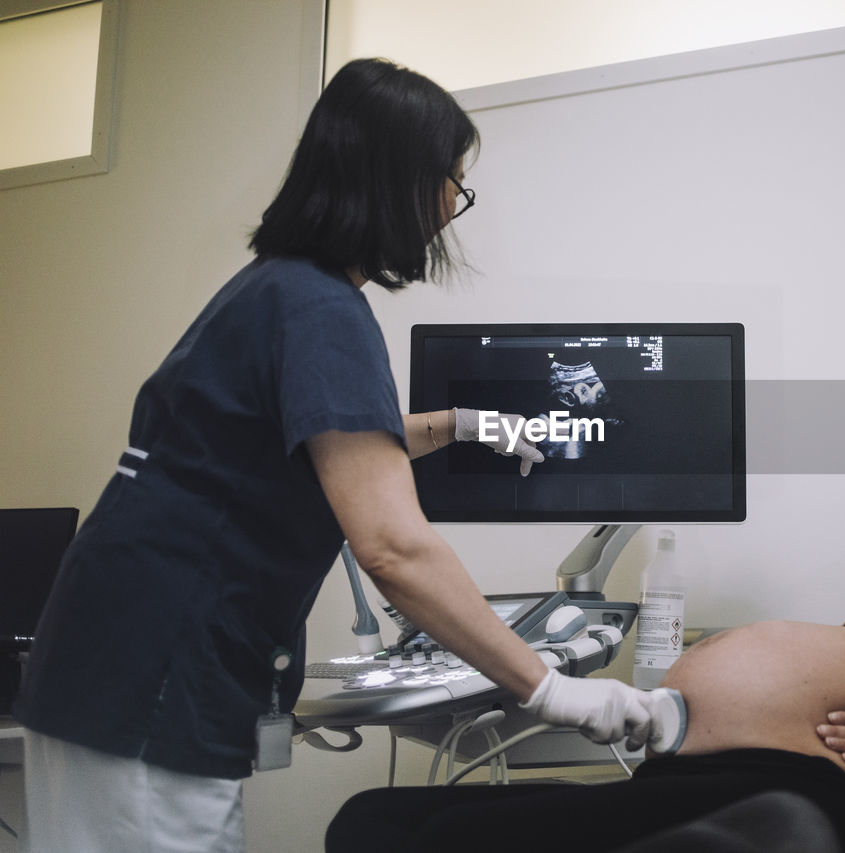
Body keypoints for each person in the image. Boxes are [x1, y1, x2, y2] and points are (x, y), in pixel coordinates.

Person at [15, 58, 669, 853]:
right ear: (399, 181)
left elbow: (333, 436)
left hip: (107, 660)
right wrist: (548, 686)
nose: (450, 210)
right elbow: (393, 546)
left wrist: (462, 422)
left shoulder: (277, 289)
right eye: (451, 185)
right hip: (153, 677)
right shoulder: (322, 309)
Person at [325, 473, 845, 852]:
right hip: (699, 780)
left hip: (799, 783)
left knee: (435, 840)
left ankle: (784, 834)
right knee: (369, 819)